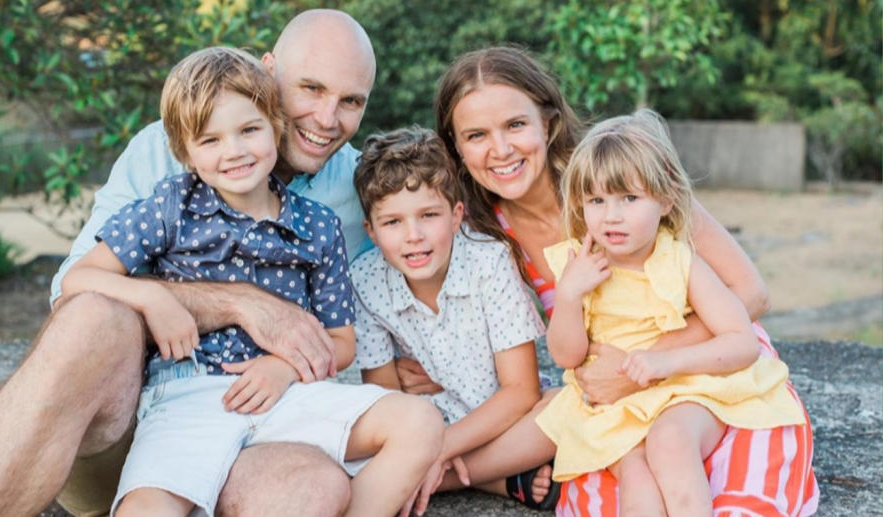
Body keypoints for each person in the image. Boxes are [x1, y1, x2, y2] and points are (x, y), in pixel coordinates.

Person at [0, 10, 388, 517]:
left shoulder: (361, 188)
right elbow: (72, 292)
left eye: (351, 101)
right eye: (311, 88)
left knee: (313, 485)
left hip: (264, 433)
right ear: (267, 72)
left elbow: (424, 267)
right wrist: (236, 302)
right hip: (137, 426)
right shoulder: (166, 152)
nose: (328, 119)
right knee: (92, 319)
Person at [395, 46, 818, 516]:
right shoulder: (482, 231)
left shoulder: (619, 176)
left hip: (700, 366)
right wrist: (426, 366)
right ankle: (430, 474)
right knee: (563, 413)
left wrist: (643, 365)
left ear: (548, 122)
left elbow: (752, 293)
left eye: (515, 125)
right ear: (455, 147)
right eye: (476, 135)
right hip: (601, 389)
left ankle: (434, 471)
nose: (500, 149)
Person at [59, 46, 443, 517]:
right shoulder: (170, 208)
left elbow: (342, 341)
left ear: (275, 127)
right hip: (186, 398)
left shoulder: (319, 225)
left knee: (421, 422)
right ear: (185, 152)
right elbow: (79, 279)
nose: (234, 152)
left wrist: (284, 368)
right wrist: (151, 297)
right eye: (210, 140)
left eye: (248, 130)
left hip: (290, 396)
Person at [536, 109, 805, 516]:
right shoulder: (581, 265)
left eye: (629, 198)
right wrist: (569, 296)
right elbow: (567, 357)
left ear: (665, 200)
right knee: (637, 477)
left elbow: (742, 342)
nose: (612, 215)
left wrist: (666, 361)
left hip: (686, 386)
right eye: (596, 200)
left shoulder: (682, 262)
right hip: (617, 407)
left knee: (671, 442)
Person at [349, 127, 554, 515]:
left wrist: (438, 451)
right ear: (371, 232)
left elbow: (522, 392)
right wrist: (422, 438)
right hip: (429, 420)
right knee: (350, 447)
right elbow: (384, 401)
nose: (414, 236)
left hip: (509, 418)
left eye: (428, 215)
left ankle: (437, 478)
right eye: (392, 222)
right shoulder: (365, 280)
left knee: (567, 410)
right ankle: (503, 478)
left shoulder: (488, 260)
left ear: (456, 215)